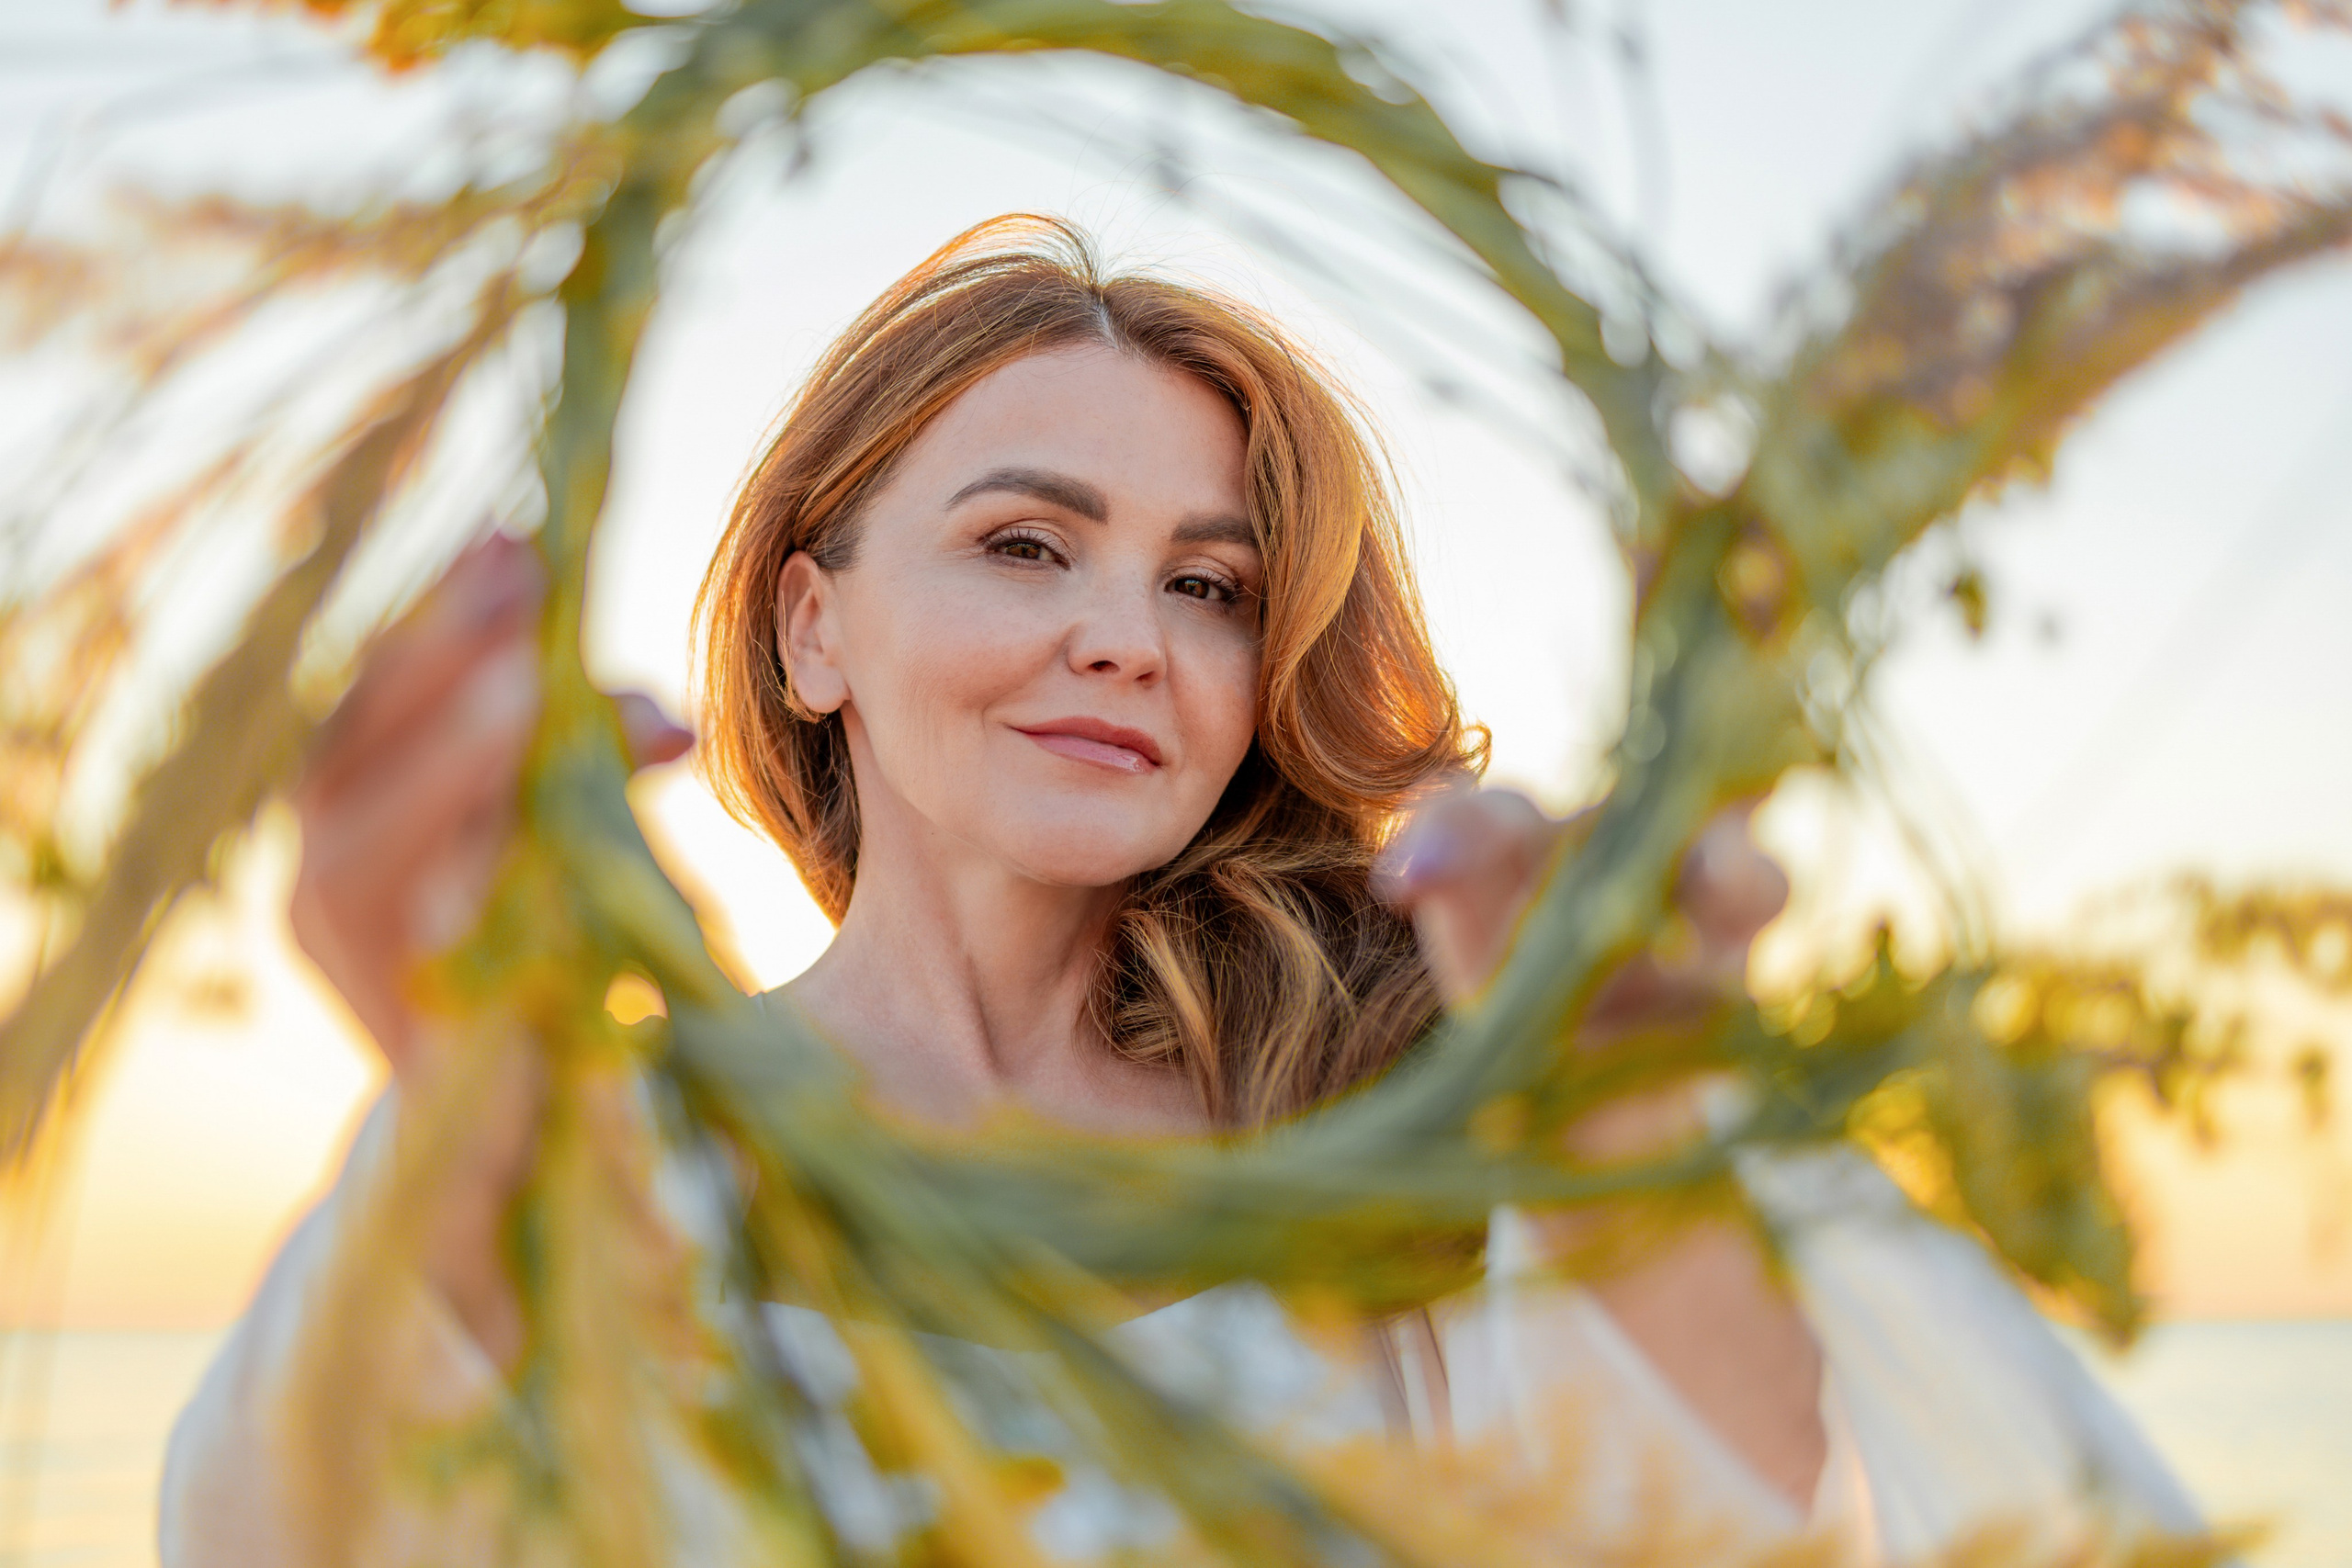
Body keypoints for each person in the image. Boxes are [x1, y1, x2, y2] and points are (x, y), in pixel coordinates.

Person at [162, 217, 2208, 1567]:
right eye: (1028, 545)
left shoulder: (1382, 1122)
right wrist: (446, 1096)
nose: (1127, 636)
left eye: (1206, 586)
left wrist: (1634, 1122)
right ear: (810, 624)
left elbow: (1725, 1518)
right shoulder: (606, 1151)